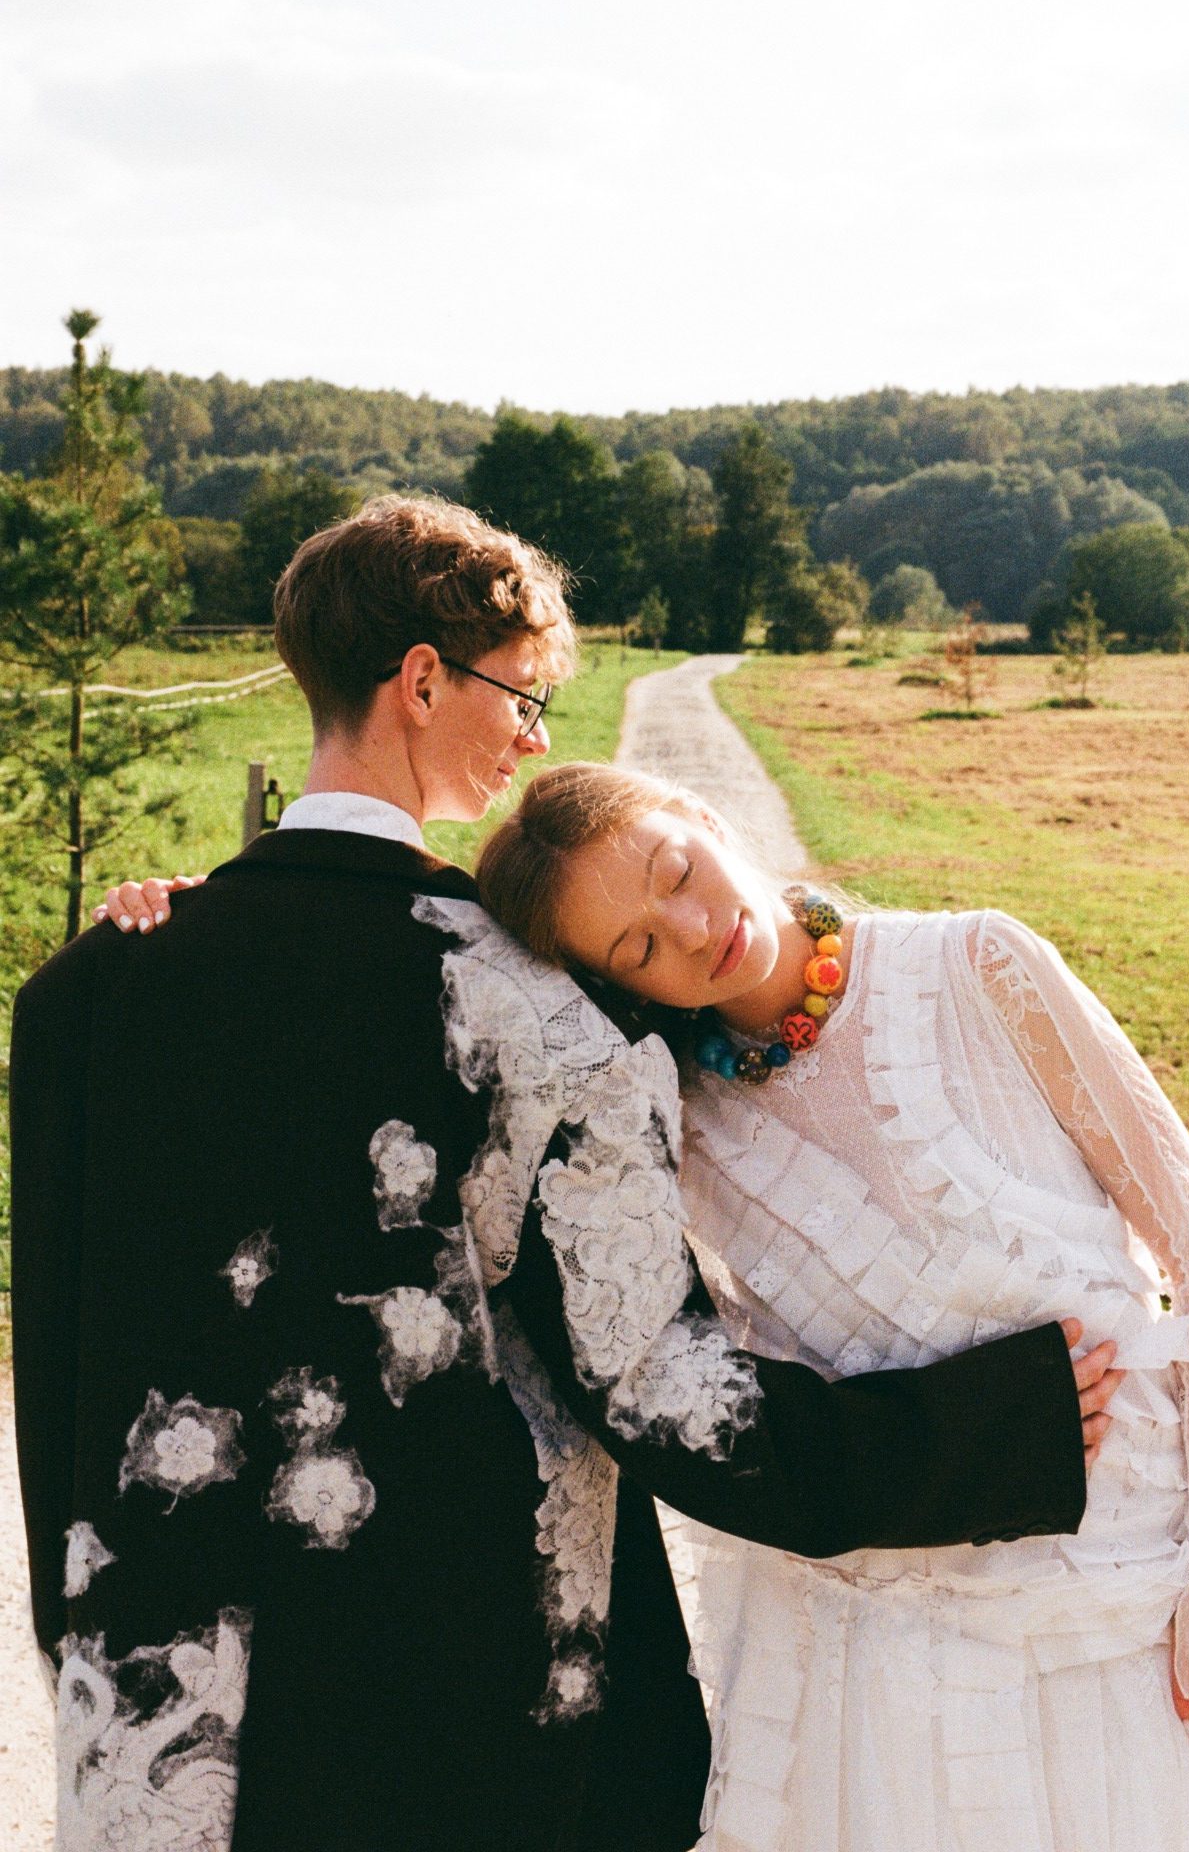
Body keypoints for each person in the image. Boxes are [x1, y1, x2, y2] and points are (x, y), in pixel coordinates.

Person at [32, 496, 1114, 1852]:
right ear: (423, 679)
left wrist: (86, 1674)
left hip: (164, 1741)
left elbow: (57, 1398)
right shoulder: (543, 1016)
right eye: (524, 696)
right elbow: (670, 1398)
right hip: (474, 1727)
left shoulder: (85, 994)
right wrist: (992, 1427)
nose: (535, 740)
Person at [473, 759, 1189, 1851]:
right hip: (884, 1651)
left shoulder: (978, 967)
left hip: (1120, 1601)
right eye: (640, 948)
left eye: (678, 871)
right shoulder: (672, 1123)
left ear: (702, 816)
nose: (694, 931)